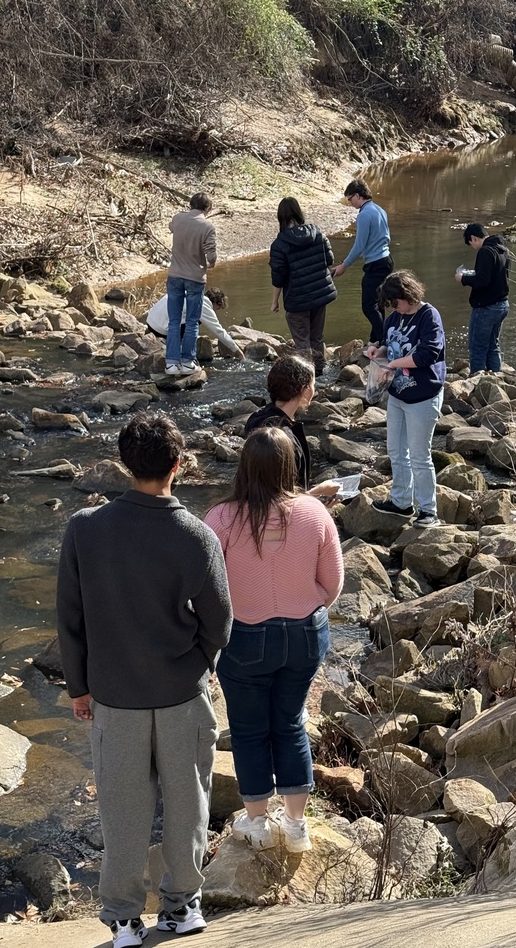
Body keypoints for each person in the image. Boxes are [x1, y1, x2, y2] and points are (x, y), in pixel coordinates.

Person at [56, 413, 232, 948]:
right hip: (182, 691)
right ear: (178, 466)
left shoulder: (85, 528)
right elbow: (219, 620)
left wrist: (79, 686)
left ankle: (125, 921)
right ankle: (182, 907)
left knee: (123, 812)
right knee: (188, 805)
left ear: (123, 465)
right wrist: (199, 662)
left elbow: (70, 616)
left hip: (113, 695)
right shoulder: (196, 536)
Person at [204, 427, 343, 852]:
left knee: (248, 731)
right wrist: (306, 603)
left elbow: (208, 590)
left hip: (244, 636)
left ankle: (257, 823)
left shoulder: (221, 519)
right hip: (304, 633)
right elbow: (333, 584)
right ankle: (297, 825)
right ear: (290, 465)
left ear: (244, 466)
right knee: (289, 721)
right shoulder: (315, 512)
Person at [366, 270, 446, 528]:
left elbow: (428, 353)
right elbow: (388, 345)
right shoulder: (393, 319)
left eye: (396, 302)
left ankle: (428, 511)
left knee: (420, 455)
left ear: (408, 295)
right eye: (391, 304)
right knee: (397, 451)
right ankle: (401, 502)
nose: (394, 308)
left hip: (423, 395)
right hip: (398, 394)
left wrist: (394, 363)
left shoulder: (428, 316)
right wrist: (378, 351)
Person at [244, 355, 339, 499]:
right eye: (313, 384)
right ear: (305, 390)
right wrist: (319, 492)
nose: (314, 389)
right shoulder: (283, 439)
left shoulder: (257, 417)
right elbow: (280, 500)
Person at [270, 197, 336, 376]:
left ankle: (307, 377)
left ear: (281, 217)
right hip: (320, 295)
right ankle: (321, 372)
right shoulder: (318, 234)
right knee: (317, 336)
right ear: (299, 213)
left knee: (302, 341)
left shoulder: (279, 244)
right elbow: (329, 260)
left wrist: (274, 301)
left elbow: (278, 276)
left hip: (297, 299)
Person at [332, 179, 393, 348]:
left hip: (376, 264)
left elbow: (359, 245)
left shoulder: (364, 215)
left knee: (368, 306)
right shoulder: (380, 210)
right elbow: (386, 237)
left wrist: (344, 264)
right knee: (377, 303)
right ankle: (375, 340)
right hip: (387, 260)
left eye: (350, 199)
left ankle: (385, 340)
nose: (350, 203)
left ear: (358, 195)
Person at [166, 193, 217, 377]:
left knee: (174, 321)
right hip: (195, 277)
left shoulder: (178, 218)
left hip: (174, 275)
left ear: (190, 204)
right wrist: (211, 263)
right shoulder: (207, 226)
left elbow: (171, 227)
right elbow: (211, 254)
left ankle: (171, 364)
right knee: (192, 322)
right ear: (207, 209)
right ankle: (188, 362)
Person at [455, 223, 510, 375]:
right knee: (493, 345)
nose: (473, 247)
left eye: (471, 243)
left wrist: (463, 278)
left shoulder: (485, 251)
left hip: (486, 306)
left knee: (477, 346)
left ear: (473, 238)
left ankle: (477, 381)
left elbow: (482, 281)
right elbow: (494, 276)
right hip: (502, 303)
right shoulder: (502, 249)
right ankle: (496, 377)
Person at [147, 288, 245, 360]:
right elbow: (218, 331)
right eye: (218, 308)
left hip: (150, 322)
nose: (216, 311)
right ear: (216, 303)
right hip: (160, 329)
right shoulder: (202, 304)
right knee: (197, 321)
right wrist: (237, 350)